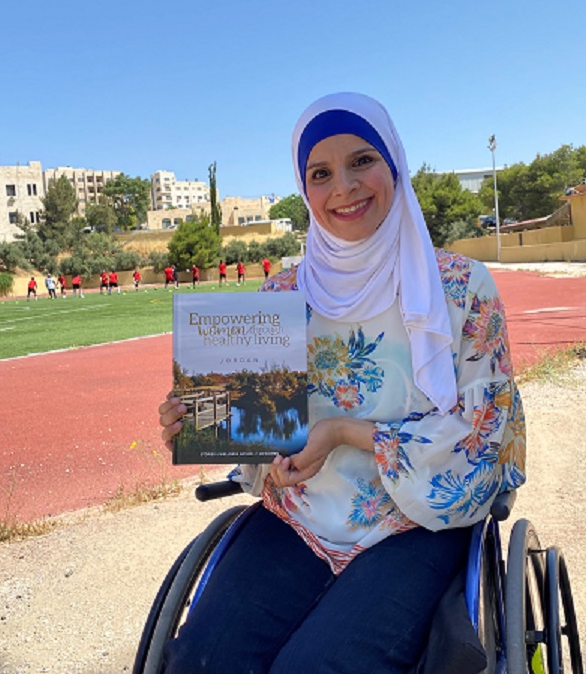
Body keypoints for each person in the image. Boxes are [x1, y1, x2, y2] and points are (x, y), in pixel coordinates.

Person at [158, 92, 527, 674]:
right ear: (304, 189)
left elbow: (482, 441)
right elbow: (260, 443)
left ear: (394, 165)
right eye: (320, 173)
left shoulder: (461, 288)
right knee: (203, 661)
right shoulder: (280, 296)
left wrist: (340, 432)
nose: (343, 188)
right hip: (298, 519)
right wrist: (200, 421)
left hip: (413, 523)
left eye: (362, 161)